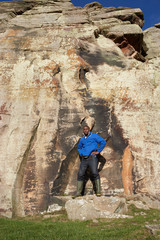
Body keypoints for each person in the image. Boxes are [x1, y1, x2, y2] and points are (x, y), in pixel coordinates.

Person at [73, 125, 106, 198]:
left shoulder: (94, 136)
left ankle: (98, 192)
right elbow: (79, 148)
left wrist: (98, 151)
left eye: (86, 129)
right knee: (80, 174)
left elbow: (103, 142)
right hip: (84, 159)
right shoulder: (82, 139)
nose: (85, 130)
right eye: (84, 129)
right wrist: (81, 153)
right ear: (83, 130)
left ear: (89, 130)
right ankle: (78, 193)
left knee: (94, 172)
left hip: (92, 157)